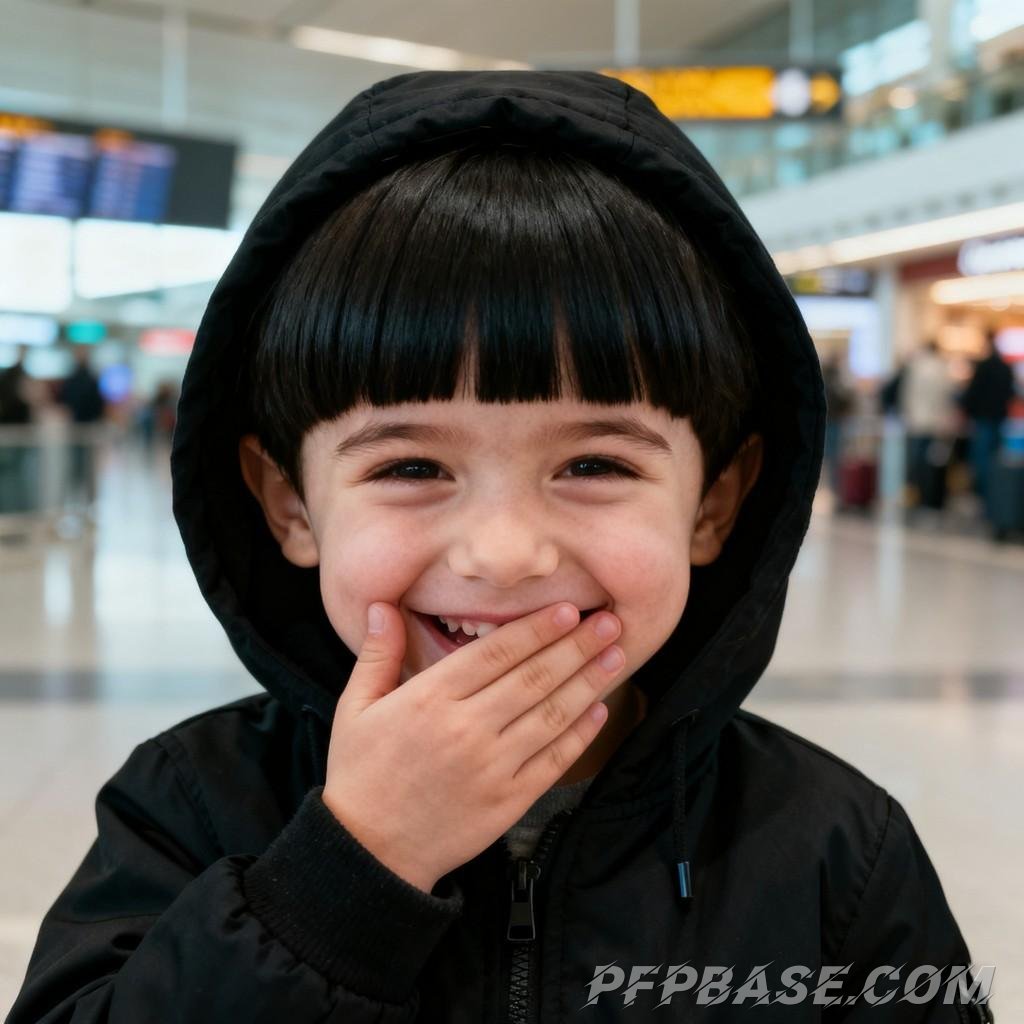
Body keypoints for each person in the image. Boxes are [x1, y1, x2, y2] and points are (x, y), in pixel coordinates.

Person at [9, 72, 992, 1021]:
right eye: (409, 468)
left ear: (713, 503)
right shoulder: (191, 805)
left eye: (596, 463)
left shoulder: (833, 851)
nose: (505, 551)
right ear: (291, 505)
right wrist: (348, 871)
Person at [959, 329, 1015, 515]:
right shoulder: (1005, 367)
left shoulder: (983, 367)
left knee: (982, 462)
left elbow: (972, 394)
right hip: (999, 419)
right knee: (996, 461)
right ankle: (994, 499)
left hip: (983, 419)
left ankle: (984, 497)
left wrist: (967, 412)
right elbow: (1010, 394)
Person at [901, 339, 956, 507]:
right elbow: (946, 398)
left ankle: (916, 496)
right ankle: (930, 498)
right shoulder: (942, 368)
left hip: (917, 422)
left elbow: (907, 395)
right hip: (935, 424)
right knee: (933, 463)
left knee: (916, 463)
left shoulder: (916, 367)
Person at [55, 345, 105, 511]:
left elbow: (98, 404)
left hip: (87, 429)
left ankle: (87, 503)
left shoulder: (90, 378)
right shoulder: (76, 378)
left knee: (87, 469)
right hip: (76, 430)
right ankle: (75, 502)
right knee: (75, 468)